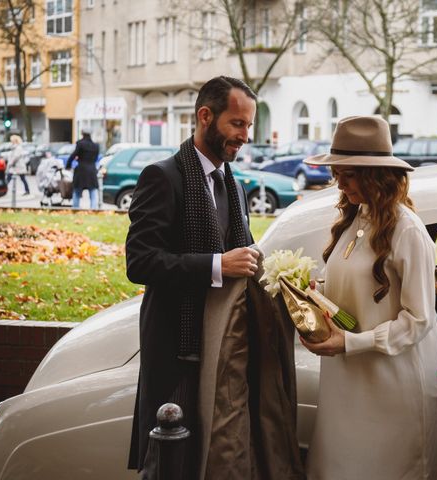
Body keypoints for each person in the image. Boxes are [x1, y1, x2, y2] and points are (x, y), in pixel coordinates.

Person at [126, 76, 304, 479]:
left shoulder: (234, 185)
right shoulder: (162, 177)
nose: (245, 135)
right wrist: (215, 265)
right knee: (172, 463)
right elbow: (140, 262)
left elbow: (247, 254)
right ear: (205, 116)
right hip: (178, 350)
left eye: (248, 125)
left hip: (228, 353)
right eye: (237, 124)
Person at [301, 116, 437, 479]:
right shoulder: (354, 219)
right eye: (337, 172)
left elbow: (419, 320)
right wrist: (314, 296)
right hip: (345, 383)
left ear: (374, 175)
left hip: (389, 388)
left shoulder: (407, 230)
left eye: (348, 173)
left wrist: (351, 342)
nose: (339, 182)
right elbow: (354, 292)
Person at [67, 128, 99, 209]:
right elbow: (95, 158)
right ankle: (94, 209)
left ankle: (76, 209)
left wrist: (68, 165)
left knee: (77, 190)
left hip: (81, 170)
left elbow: (73, 155)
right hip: (92, 170)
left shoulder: (80, 144)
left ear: (82, 134)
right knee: (93, 191)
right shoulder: (95, 146)